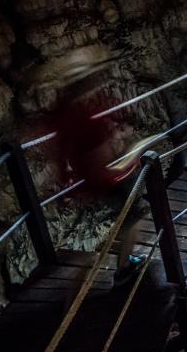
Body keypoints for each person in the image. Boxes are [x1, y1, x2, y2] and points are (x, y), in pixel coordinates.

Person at [49, 79, 151, 288]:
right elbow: (101, 161)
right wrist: (129, 165)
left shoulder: (64, 121)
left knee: (126, 215)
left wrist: (69, 183)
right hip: (104, 181)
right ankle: (123, 268)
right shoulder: (87, 122)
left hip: (87, 182)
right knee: (135, 215)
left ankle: (121, 259)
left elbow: (61, 155)